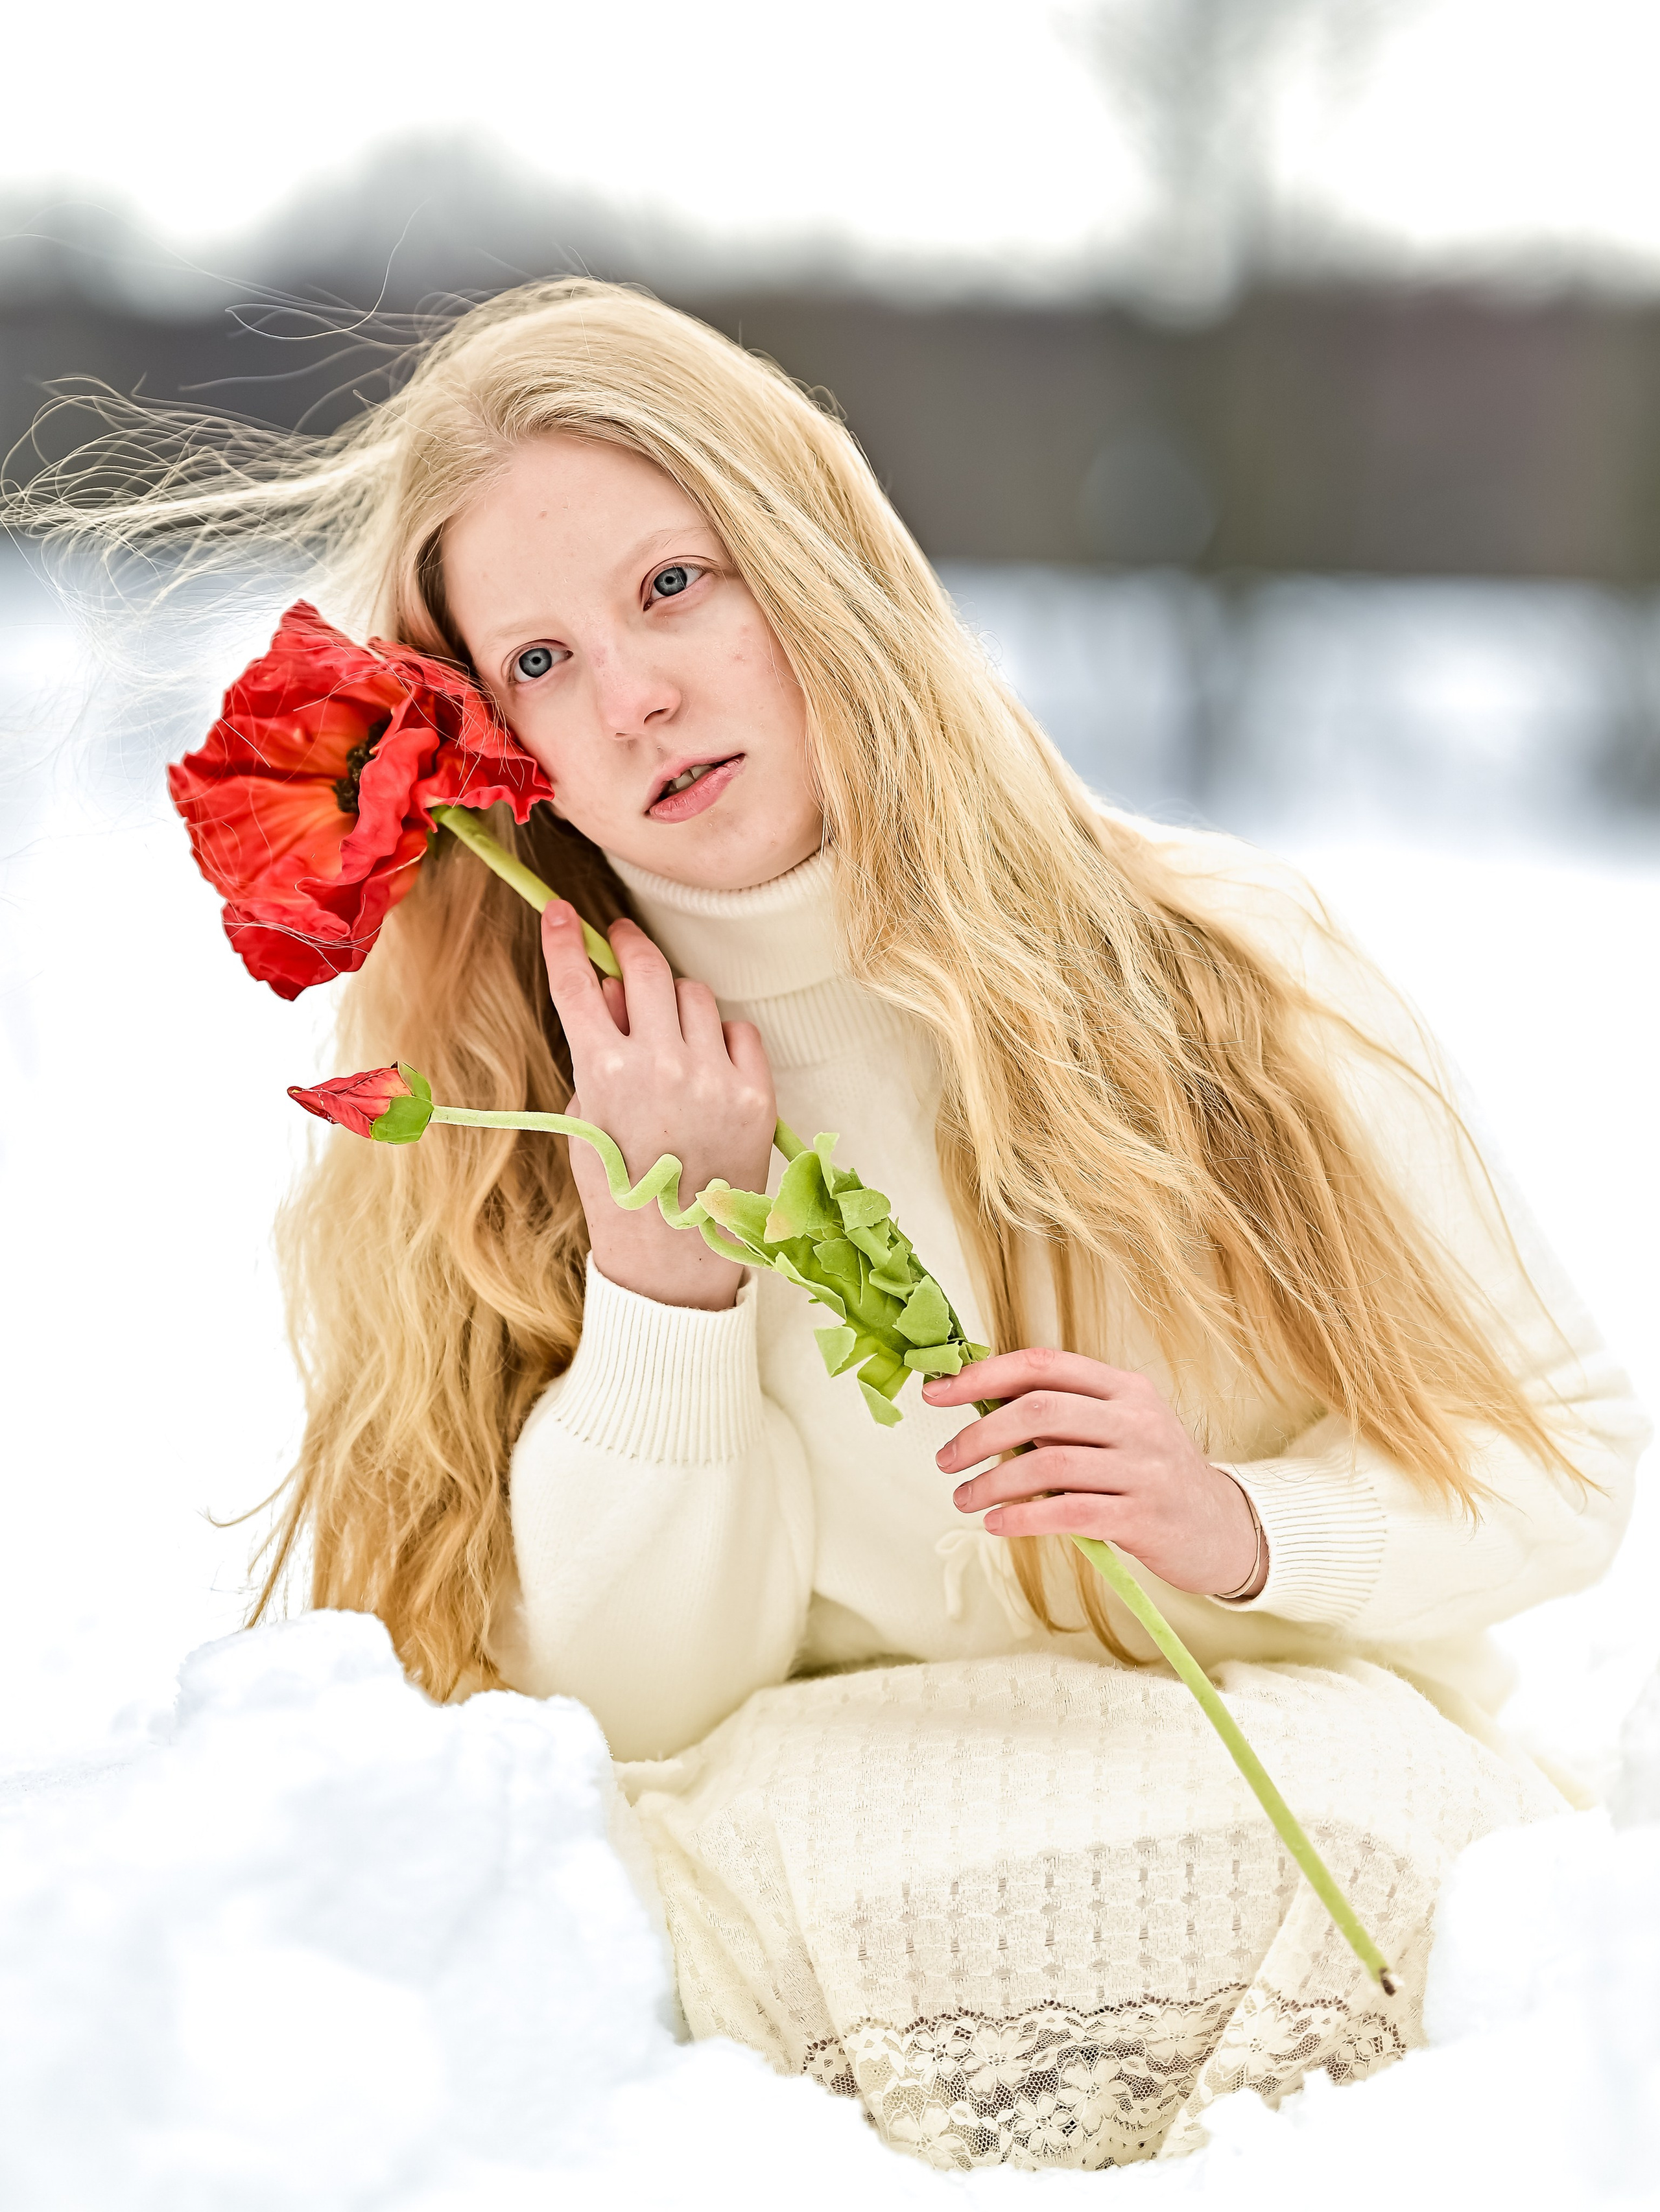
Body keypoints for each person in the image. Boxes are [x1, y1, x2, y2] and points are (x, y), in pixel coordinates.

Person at [23, 280, 1646, 2170]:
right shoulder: (502, 1123)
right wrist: (665, 1278)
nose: (632, 696)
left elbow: (1572, 1464)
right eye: (536, 661)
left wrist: (1243, 1526)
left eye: (671, 588)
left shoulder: (1228, 971)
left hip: (1305, 1827)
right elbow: (629, 1718)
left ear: (811, 561)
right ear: (486, 739)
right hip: (815, 1919)